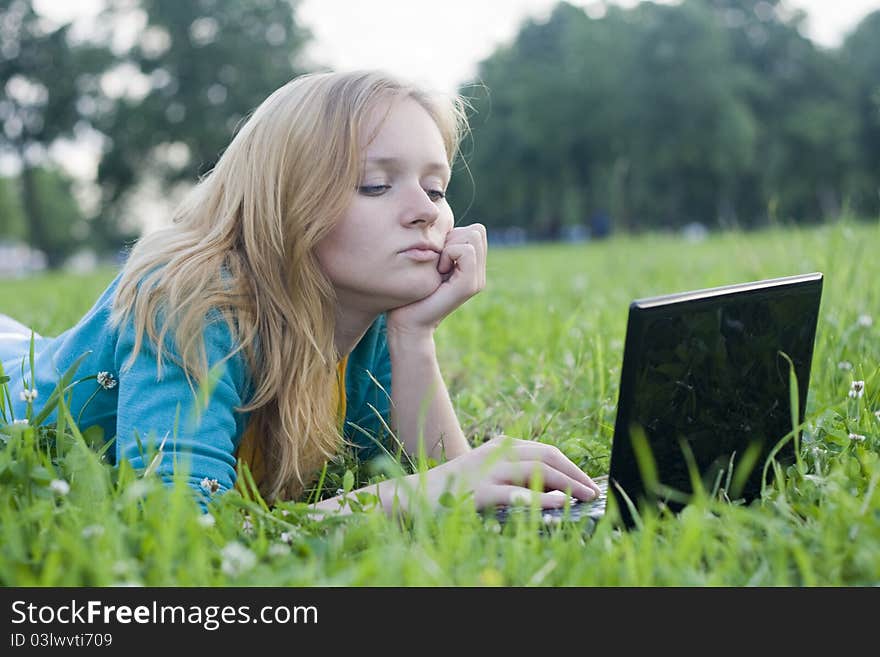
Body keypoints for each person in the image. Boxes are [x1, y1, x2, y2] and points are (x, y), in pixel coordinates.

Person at [0, 70, 600, 515]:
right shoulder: (189, 300)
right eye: (374, 185)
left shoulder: (365, 315)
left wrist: (415, 337)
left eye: (436, 188)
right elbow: (180, 530)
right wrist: (413, 497)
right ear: (283, 200)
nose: (425, 212)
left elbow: (447, 481)